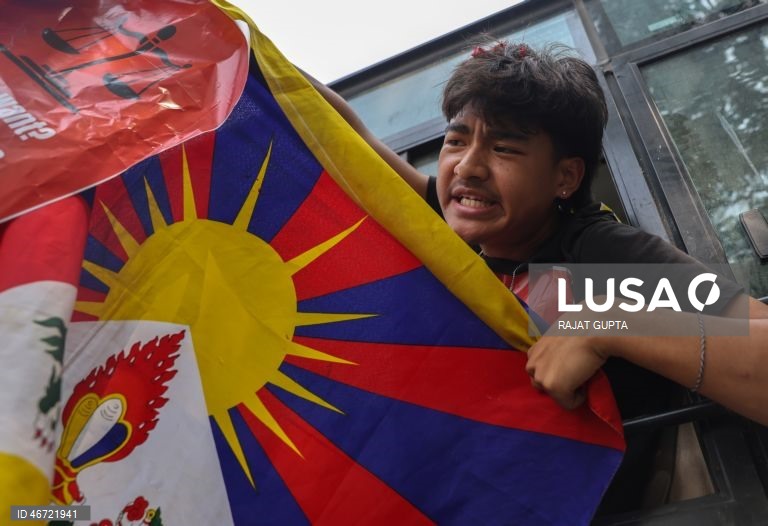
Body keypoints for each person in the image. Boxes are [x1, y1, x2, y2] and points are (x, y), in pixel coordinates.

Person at [310, 39, 768, 510]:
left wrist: (605, 323)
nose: (468, 167)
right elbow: (349, 141)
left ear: (565, 177)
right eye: (455, 140)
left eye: (504, 148)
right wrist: (247, 49)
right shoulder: (460, 236)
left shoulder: (596, 250)